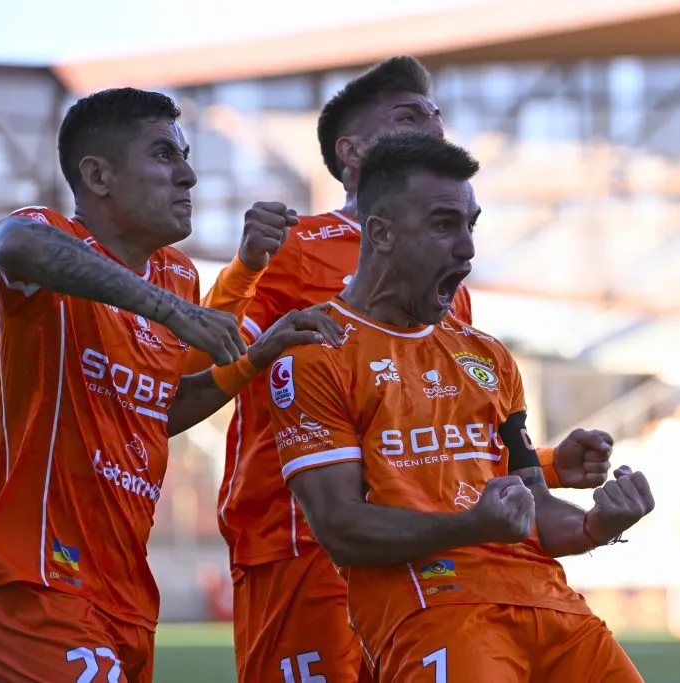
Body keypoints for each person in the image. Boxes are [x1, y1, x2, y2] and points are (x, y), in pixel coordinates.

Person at [204, 55, 616, 682]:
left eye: (437, 115)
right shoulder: (289, 248)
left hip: (423, 551)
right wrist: (243, 270)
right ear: (354, 150)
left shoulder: (449, 278)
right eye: (409, 116)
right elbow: (208, 362)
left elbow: (435, 421)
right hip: (299, 537)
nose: (433, 127)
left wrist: (550, 463)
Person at [270, 131, 654, 681]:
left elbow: (535, 509)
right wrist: (473, 525)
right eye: (444, 224)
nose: (468, 249)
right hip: (437, 609)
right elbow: (342, 529)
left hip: (554, 607)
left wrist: (598, 523)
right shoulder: (316, 355)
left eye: (471, 224)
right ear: (380, 233)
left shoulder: (488, 355)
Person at [0, 87, 339, 683]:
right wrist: (171, 312)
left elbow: (162, 406)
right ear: (97, 175)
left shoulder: (177, 274)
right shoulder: (47, 235)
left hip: (125, 586)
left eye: (185, 155)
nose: (189, 176)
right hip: (35, 574)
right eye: (163, 156)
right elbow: (12, 245)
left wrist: (259, 355)